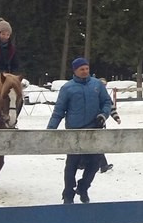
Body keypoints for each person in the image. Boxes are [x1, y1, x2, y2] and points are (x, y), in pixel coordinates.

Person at [47, 56, 114, 204]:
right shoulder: (67, 88)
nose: (85, 71)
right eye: (81, 69)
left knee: (95, 163)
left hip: (93, 131)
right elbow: (59, 111)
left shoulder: (97, 85)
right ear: (75, 71)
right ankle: (68, 193)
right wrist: (50, 130)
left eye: (87, 68)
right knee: (72, 164)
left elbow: (107, 102)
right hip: (74, 132)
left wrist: (103, 115)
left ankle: (83, 187)